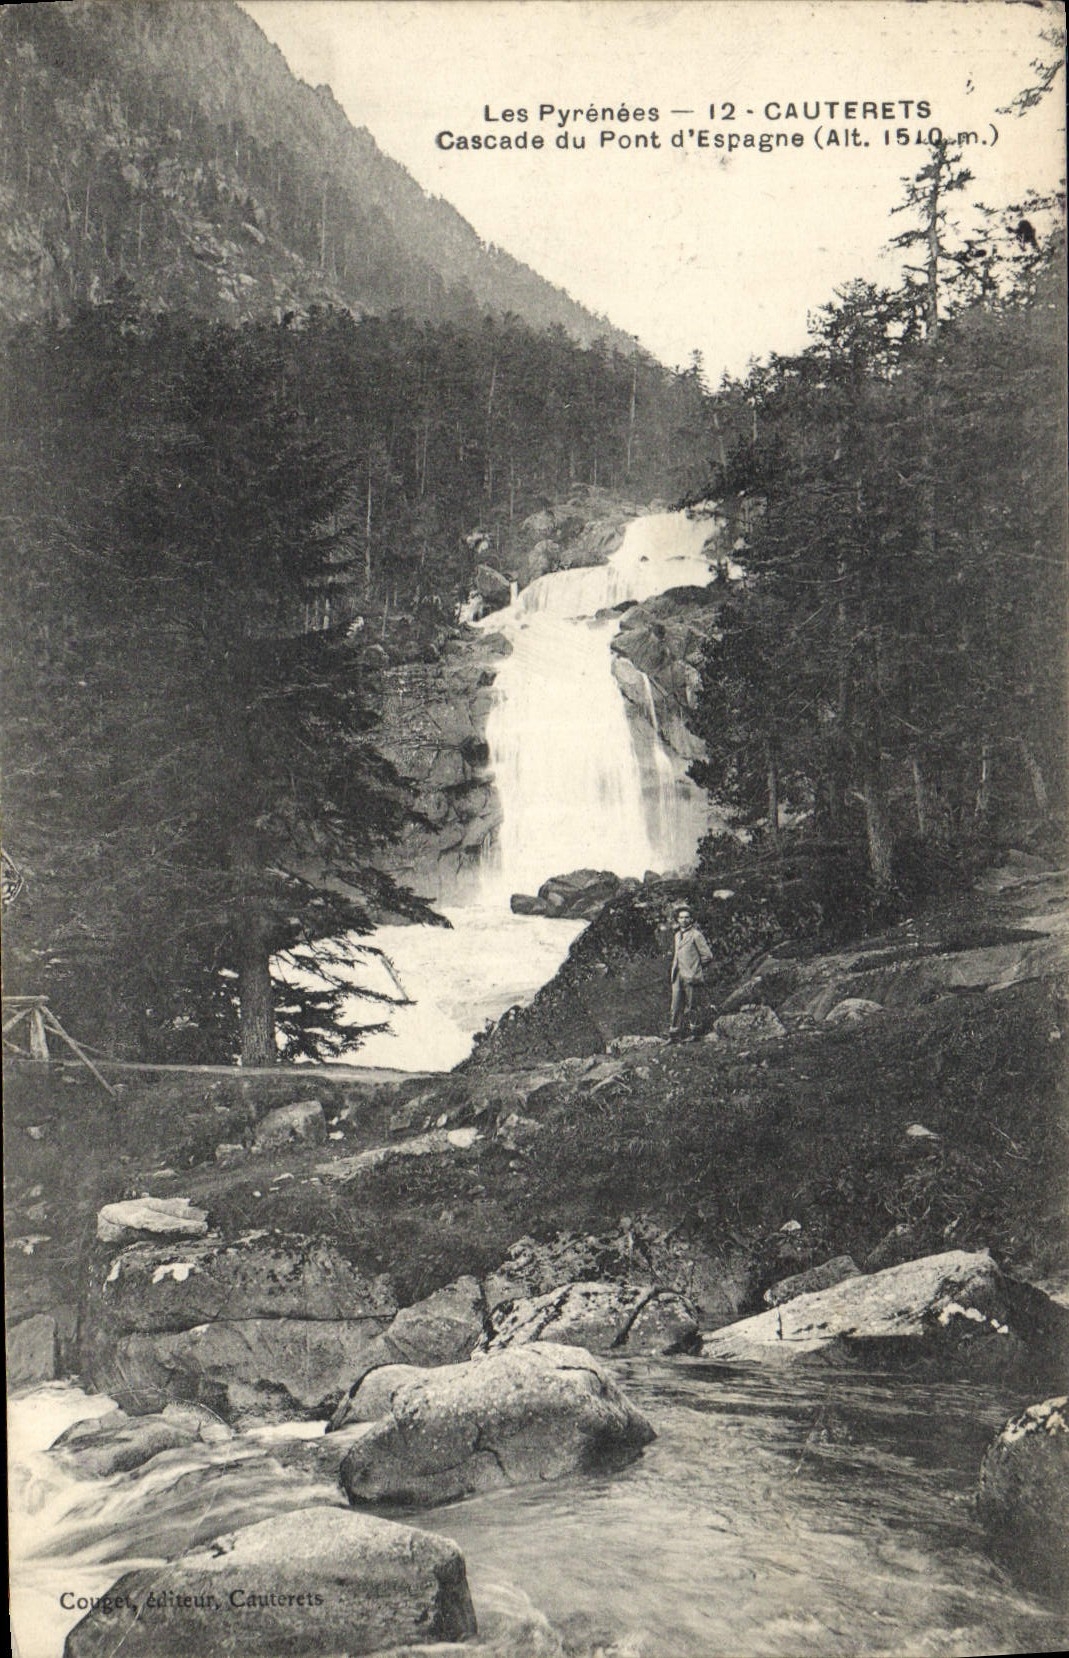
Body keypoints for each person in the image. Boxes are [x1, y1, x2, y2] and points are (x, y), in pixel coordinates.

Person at [668, 903, 713, 1041]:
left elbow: (708, 956)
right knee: (675, 1006)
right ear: (677, 920)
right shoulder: (677, 935)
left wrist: (695, 969)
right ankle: (674, 1035)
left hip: (691, 976)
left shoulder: (696, 935)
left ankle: (695, 1034)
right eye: (681, 918)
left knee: (692, 1006)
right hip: (677, 975)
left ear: (691, 919)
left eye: (687, 917)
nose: (684, 920)